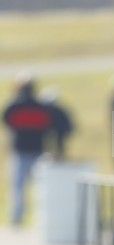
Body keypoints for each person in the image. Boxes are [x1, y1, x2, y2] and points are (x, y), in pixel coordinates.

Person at [2, 74, 55, 225]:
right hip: (35, 151)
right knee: (37, 188)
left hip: (22, 152)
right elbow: (48, 125)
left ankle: (18, 219)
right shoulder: (40, 106)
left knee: (19, 188)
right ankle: (36, 220)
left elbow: (6, 120)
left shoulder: (14, 106)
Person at [41, 87, 75, 159]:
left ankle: (58, 156)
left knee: (58, 144)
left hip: (59, 131)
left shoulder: (58, 110)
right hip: (51, 132)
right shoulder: (55, 110)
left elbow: (66, 123)